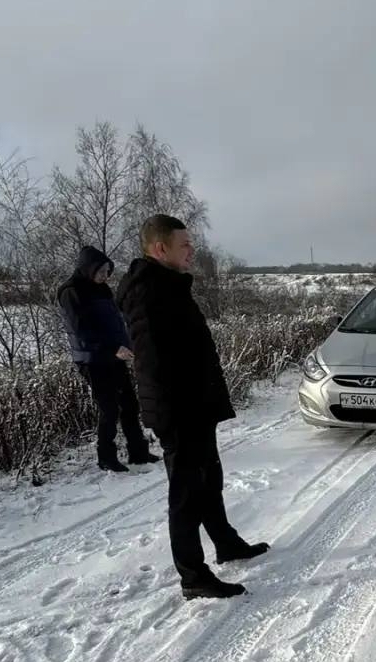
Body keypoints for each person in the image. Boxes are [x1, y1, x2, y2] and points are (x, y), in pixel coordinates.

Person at [115, 215, 270, 599]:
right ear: (159, 248)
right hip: (180, 411)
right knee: (185, 494)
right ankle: (193, 575)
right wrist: (174, 412)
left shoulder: (168, 285)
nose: (192, 251)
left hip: (195, 405)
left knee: (209, 478)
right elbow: (151, 362)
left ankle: (226, 542)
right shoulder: (148, 291)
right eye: (185, 244)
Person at [57, 245, 159, 473]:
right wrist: (113, 348)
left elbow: (114, 323)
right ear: (88, 268)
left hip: (114, 355)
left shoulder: (101, 289)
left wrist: (128, 346)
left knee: (130, 405)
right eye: (101, 271)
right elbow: (82, 329)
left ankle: (138, 452)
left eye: (107, 271)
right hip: (92, 359)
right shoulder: (71, 291)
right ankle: (106, 458)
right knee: (109, 408)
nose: (105, 276)